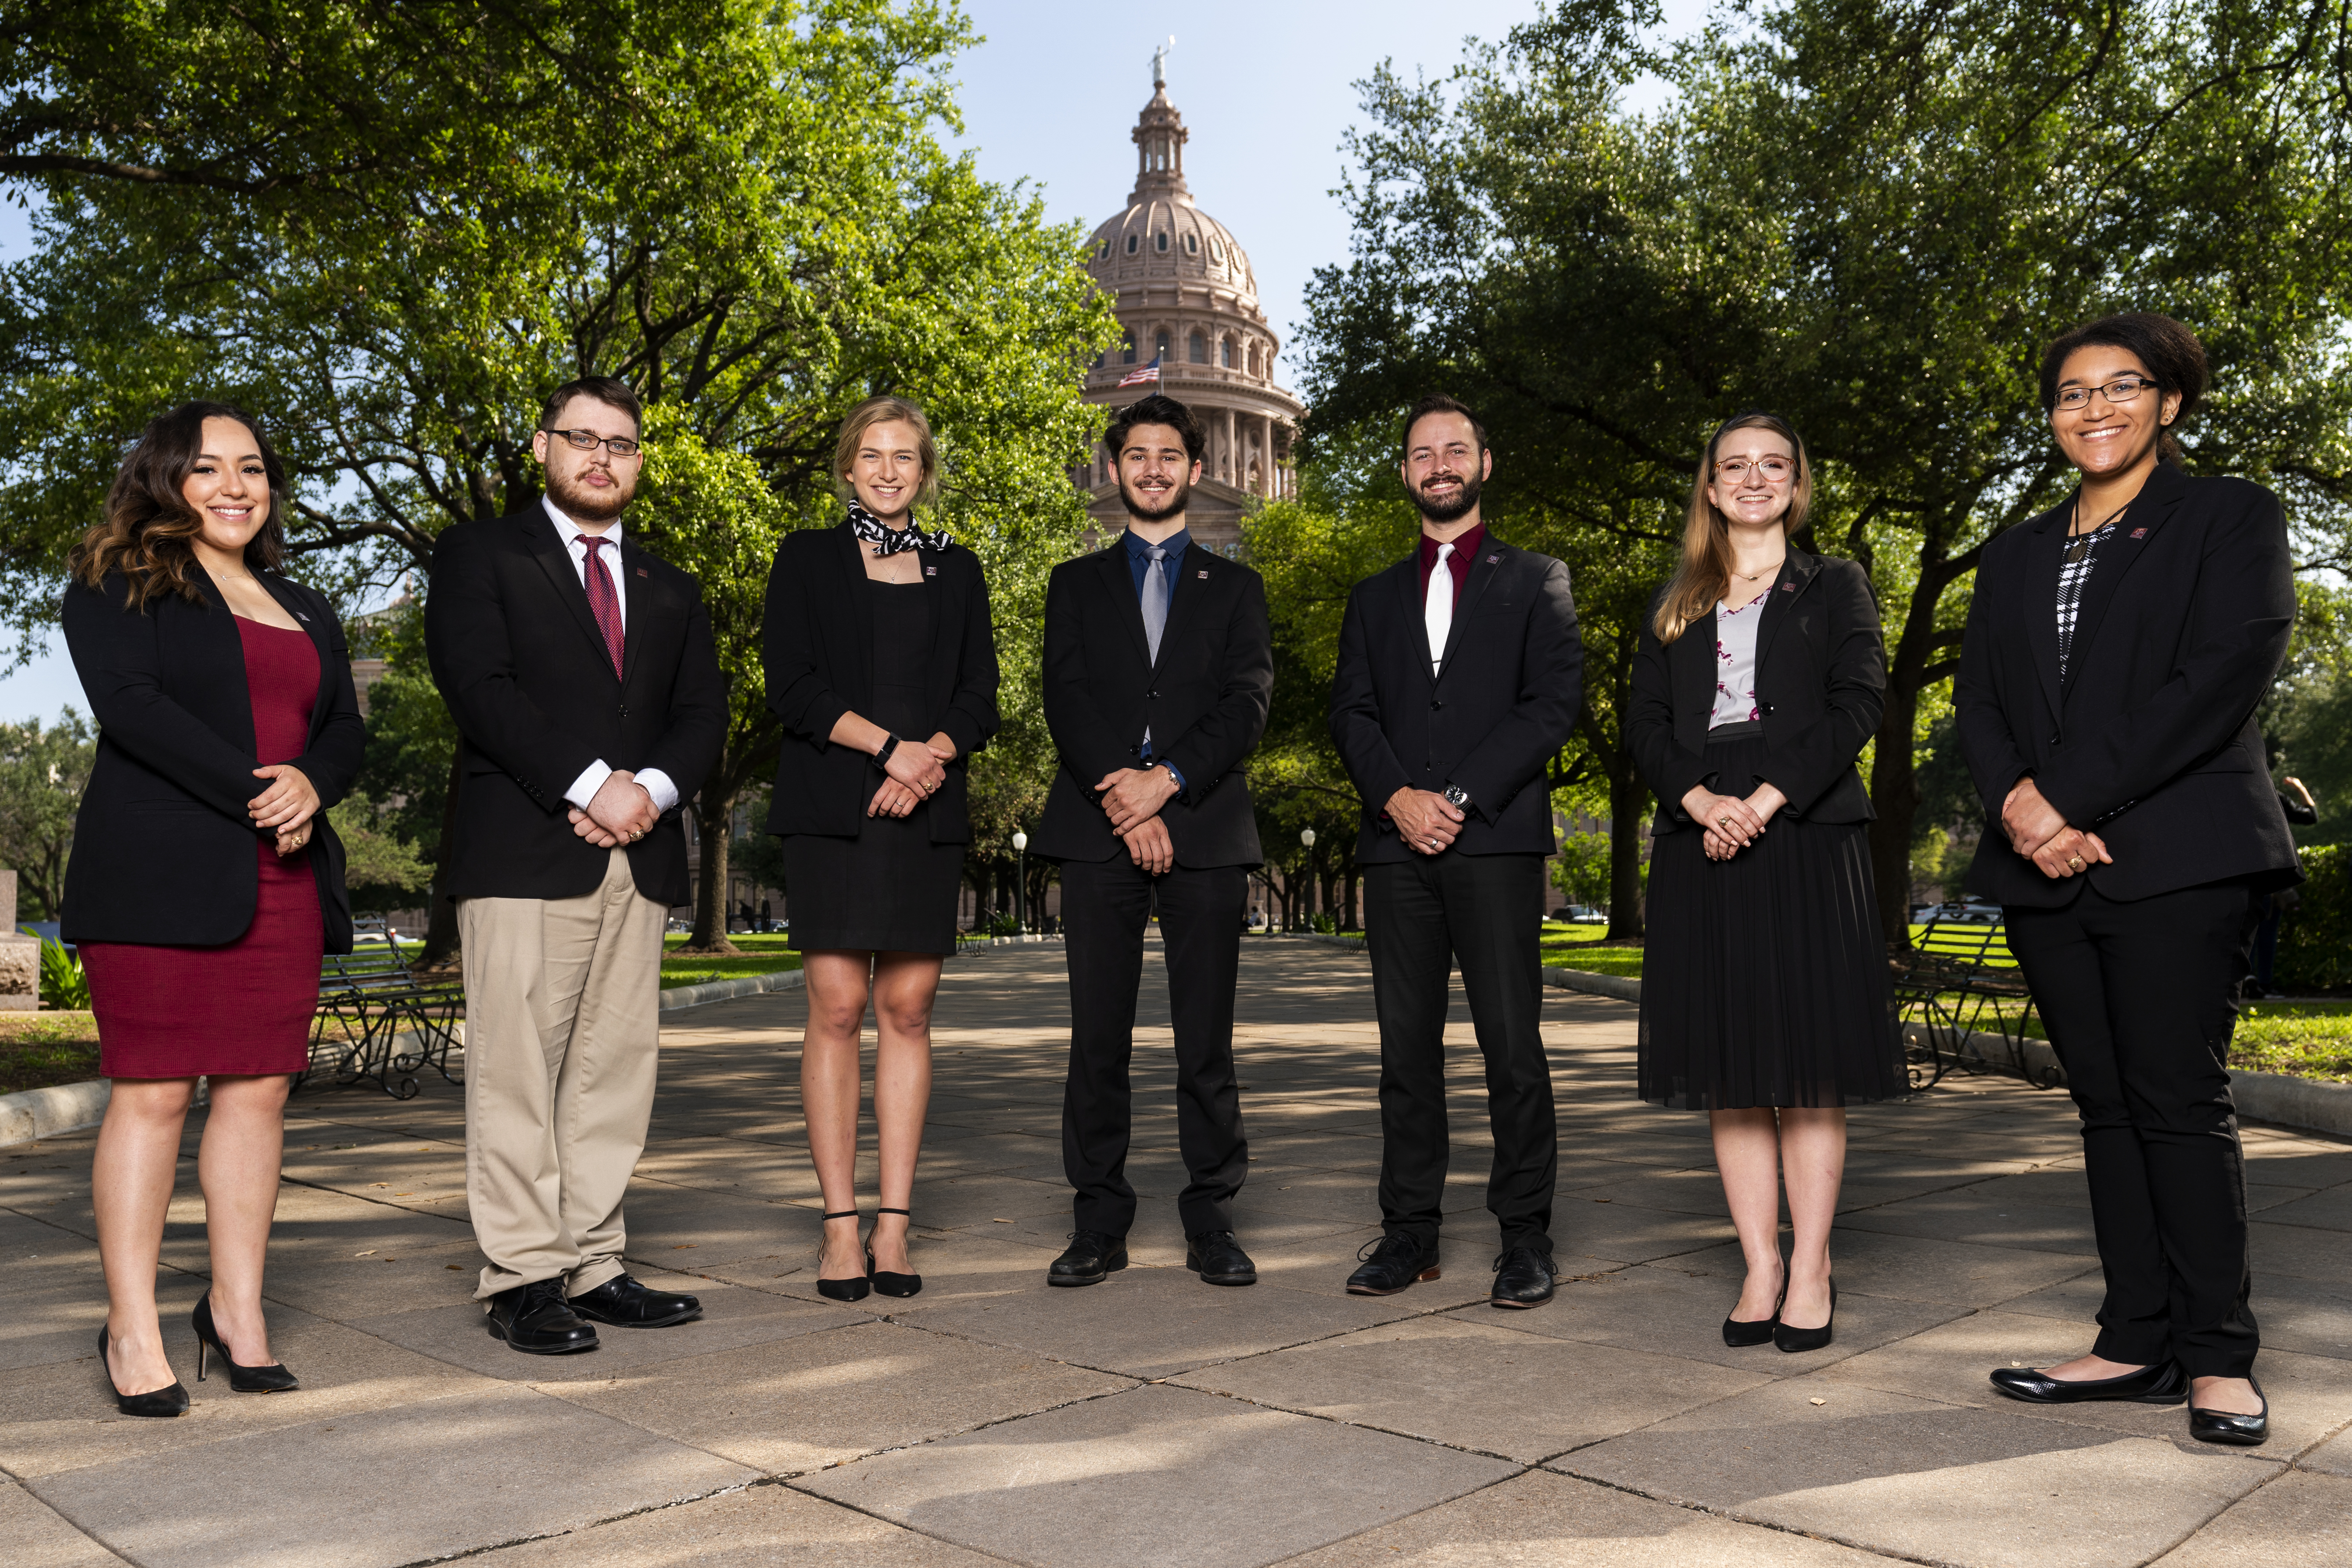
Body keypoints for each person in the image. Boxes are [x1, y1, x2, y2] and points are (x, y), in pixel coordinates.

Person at [1955, 311, 2298, 1446]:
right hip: (2044, 867)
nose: (2094, 407)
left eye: (2122, 385)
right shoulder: (2012, 551)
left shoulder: (2228, 516)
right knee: (2104, 1106)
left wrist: (2069, 799)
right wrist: (2019, 804)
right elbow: (1982, 704)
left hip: (2179, 854)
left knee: (2178, 1104)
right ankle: (2133, 1337)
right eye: (2070, 391)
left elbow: (2218, 676)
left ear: (2171, 404)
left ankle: (2217, 1354)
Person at [61, 402, 364, 1414]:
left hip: (282, 878)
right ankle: (133, 1325)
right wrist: (259, 789)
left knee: (259, 1093)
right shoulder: (119, 583)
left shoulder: (306, 602)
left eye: (252, 469)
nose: (234, 485)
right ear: (166, 481)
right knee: (153, 1093)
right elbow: (133, 709)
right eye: (207, 468)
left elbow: (344, 731)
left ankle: (236, 1310)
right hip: (156, 877)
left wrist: (312, 784)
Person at [426, 376, 726, 1354]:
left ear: (639, 462)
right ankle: (522, 1276)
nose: (602, 457)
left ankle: (593, 1261)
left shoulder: (673, 585)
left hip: (637, 859)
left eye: (622, 444)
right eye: (582, 439)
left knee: (611, 1075)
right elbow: (481, 688)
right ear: (544, 447)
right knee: (516, 1074)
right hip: (523, 851)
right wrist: (593, 783)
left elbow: (702, 716)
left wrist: (652, 791)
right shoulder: (482, 554)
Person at [1626, 410, 1902, 1354]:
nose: (1752, 478)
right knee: (1731, 1074)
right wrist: (1703, 802)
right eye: (1733, 466)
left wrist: (1769, 798)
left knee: (1808, 1067)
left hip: (1807, 832)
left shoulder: (1836, 586)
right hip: (1699, 834)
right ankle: (1760, 1264)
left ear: (1796, 482)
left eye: (1772, 464)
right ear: (1708, 487)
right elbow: (1645, 725)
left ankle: (1814, 1264)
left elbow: (1859, 699)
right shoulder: (1674, 604)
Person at [1329, 394, 1582, 1308]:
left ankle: (1524, 1237)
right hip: (1396, 851)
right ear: (1405, 472)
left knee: (1511, 1044)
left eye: (1455, 449)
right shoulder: (1372, 597)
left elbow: (1551, 705)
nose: (1438, 463)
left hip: (1495, 844)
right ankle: (1409, 1235)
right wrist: (1398, 798)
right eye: (1421, 452)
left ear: (1484, 463)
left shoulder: (1537, 580)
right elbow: (1350, 712)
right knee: (1406, 1053)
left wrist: (1460, 798)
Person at [1031, 392, 1273, 1288]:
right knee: (1098, 1039)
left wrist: (1164, 785)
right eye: (1137, 454)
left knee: (1203, 1040)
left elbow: (1244, 705)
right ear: (1115, 467)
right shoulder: (1074, 583)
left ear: (1196, 468)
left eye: (1170, 454)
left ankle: (1211, 1215)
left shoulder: (1236, 586)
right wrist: (1126, 804)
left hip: (1205, 831)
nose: (1154, 468)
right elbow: (1069, 698)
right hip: (1098, 835)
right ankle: (1098, 1217)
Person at [761, 395, 1000, 1302]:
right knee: (835, 1004)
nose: (889, 469)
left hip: (925, 808)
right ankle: (837, 1227)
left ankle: (893, 1225)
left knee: (907, 1009)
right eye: (873, 454)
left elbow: (980, 693)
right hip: (835, 805)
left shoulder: (960, 569)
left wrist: (928, 759)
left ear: (924, 471)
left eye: (905, 456)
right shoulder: (808, 558)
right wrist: (887, 750)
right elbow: (793, 684)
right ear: (847, 467)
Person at [2248, 777, 2317, 998]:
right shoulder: (2277, 798)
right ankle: (2265, 983)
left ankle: (2244, 981)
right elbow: (2311, 817)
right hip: (2273, 872)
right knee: (2268, 933)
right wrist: (2300, 788)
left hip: (2245, 873)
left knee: (2246, 931)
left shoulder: (2238, 797)